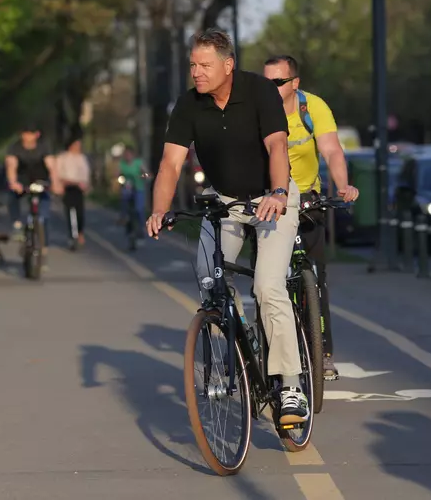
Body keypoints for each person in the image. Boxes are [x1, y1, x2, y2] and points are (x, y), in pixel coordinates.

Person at [147, 28, 308, 425]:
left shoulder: (259, 92)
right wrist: (158, 211)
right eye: (192, 65)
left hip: (273, 199)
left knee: (268, 287)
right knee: (207, 276)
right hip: (227, 203)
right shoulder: (188, 105)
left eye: (204, 65)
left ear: (228, 65)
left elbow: (276, 146)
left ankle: (290, 386)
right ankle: (245, 335)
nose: (196, 73)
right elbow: (170, 164)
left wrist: (276, 191)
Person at [262, 55, 360, 380]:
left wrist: (342, 185)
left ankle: (324, 353)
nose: (271, 88)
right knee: (267, 282)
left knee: (315, 278)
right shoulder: (258, 109)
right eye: (267, 82)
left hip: (307, 199)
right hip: (270, 202)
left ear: (295, 83)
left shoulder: (313, 108)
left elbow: (331, 150)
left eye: (278, 82)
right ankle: (269, 349)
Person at [4, 124, 62, 253]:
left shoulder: (43, 147)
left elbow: (51, 166)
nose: (27, 136)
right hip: (22, 181)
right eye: (25, 133)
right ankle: (17, 224)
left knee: (44, 214)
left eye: (30, 133)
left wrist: (56, 183)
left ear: (37, 134)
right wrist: (13, 183)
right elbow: (11, 166)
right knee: (12, 197)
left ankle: (43, 247)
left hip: (40, 180)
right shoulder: (15, 147)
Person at [57, 130, 91, 248]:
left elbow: (86, 174)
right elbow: (58, 173)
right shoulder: (63, 158)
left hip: (79, 189)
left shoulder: (82, 158)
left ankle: (80, 232)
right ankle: (72, 235)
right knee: (70, 212)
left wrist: (86, 185)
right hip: (68, 187)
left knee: (80, 212)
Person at [118, 146, 149, 237]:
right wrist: (119, 177)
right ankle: (123, 217)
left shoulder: (138, 163)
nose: (127, 156)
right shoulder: (122, 164)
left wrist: (142, 176)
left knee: (139, 209)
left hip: (138, 188)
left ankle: (142, 226)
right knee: (124, 198)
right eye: (125, 154)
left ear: (133, 155)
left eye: (129, 154)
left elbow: (146, 173)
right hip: (127, 188)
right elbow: (117, 173)